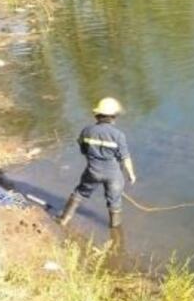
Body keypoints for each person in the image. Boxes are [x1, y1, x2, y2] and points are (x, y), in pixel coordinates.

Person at [58, 97, 137, 229]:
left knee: (80, 193)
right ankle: (115, 232)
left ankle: (63, 219)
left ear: (97, 115)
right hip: (113, 174)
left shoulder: (87, 131)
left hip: (93, 171)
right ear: (114, 117)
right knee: (115, 202)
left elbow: (82, 147)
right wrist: (131, 174)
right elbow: (125, 157)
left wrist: (91, 156)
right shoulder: (118, 135)